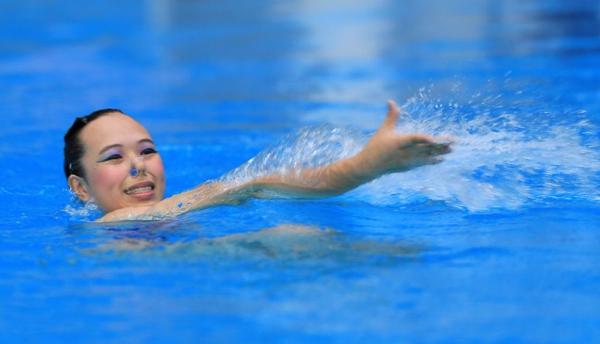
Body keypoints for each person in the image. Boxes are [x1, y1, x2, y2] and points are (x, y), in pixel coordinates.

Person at [64, 100, 452, 222]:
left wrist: (371, 167)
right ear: (80, 189)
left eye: (147, 150)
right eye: (115, 157)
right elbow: (256, 184)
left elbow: (271, 184)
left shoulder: (181, 208)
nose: (139, 166)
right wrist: (364, 166)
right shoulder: (110, 226)